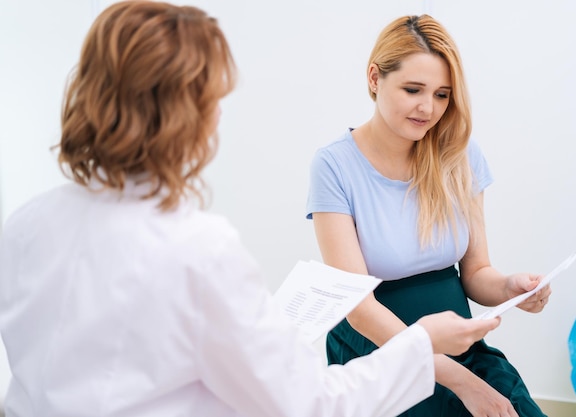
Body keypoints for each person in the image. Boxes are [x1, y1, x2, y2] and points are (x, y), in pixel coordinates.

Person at [0, 3, 501, 417]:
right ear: (188, 116)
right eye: (214, 98)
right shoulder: (199, 249)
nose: (219, 114)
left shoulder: (26, 225)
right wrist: (422, 347)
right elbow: (306, 404)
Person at [306, 14, 551, 417]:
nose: (428, 108)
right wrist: (463, 383)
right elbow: (359, 309)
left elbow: (476, 273)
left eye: (442, 94)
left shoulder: (460, 155)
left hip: (462, 350)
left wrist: (511, 287)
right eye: (413, 89)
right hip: (379, 355)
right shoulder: (334, 166)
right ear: (374, 78)